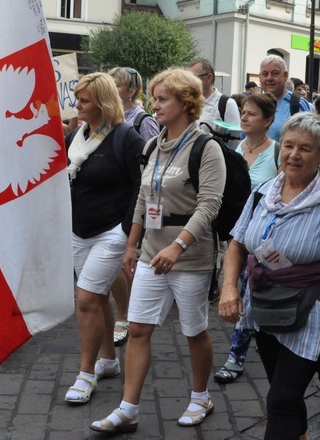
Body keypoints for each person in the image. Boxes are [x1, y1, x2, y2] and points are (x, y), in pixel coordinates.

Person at [219, 112, 320, 440]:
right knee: (283, 392)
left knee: (280, 400)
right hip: (264, 305)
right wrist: (229, 288)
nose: (293, 154)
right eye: (288, 145)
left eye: (304, 148)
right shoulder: (263, 193)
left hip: (308, 311)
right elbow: (237, 245)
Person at [90, 68, 225, 433]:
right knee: (137, 330)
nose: (156, 105)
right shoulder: (153, 144)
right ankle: (128, 409)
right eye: (155, 98)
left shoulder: (206, 146)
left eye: (163, 99)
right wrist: (131, 245)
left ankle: (200, 397)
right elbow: (143, 198)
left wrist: (178, 247)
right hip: (152, 253)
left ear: (186, 102)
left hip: (190, 258)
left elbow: (209, 206)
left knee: (193, 330)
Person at [64, 73, 144, 405]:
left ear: (102, 102)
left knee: (85, 299)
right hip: (79, 230)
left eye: (84, 100)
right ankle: (109, 361)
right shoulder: (77, 136)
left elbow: (141, 188)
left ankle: (85, 374)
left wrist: (129, 236)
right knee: (95, 298)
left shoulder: (126, 137)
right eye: (77, 99)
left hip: (112, 231)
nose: (77, 105)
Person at [213, 92, 281, 385]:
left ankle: (237, 355)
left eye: (251, 114)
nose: (244, 117)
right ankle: (241, 350)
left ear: (267, 121)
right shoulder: (233, 149)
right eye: (243, 112)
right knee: (243, 291)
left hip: (266, 239)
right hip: (236, 237)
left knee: (252, 294)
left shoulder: (278, 152)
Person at [107, 66, 160, 347]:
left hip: (133, 200)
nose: (112, 88)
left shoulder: (142, 121)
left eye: (116, 84)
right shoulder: (108, 117)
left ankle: (126, 315)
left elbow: (150, 163)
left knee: (124, 259)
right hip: (110, 199)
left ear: (130, 90)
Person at [189, 58, 241, 148]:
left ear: (209, 77)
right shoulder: (188, 103)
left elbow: (234, 143)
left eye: (194, 77)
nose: (190, 82)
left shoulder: (226, 104)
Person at [259, 55, 313, 142]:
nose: (269, 78)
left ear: (285, 76)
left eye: (275, 73)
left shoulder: (298, 104)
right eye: (265, 74)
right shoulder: (254, 104)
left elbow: (310, 140)